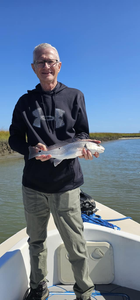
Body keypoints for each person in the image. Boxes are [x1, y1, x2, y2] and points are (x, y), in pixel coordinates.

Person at [9, 43, 100, 300]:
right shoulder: (24, 102)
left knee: (76, 244)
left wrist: (85, 146)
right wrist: (30, 148)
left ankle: (84, 292)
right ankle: (38, 288)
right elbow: (14, 138)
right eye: (41, 62)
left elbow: (83, 132)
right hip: (33, 185)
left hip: (67, 184)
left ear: (59, 65)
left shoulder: (75, 96)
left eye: (51, 61)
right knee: (35, 243)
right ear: (33, 68)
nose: (46, 66)